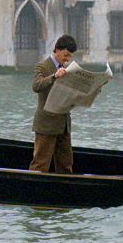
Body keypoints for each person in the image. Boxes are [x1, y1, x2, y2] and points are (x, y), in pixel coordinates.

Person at [29, 34, 78, 173]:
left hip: (63, 123)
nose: (67, 59)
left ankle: (66, 189)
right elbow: (36, 86)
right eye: (65, 55)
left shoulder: (68, 69)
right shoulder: (43, 66)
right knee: (41, 163)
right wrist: (54, 76)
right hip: (46, 122)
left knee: (66, 163)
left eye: (70, 56)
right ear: (57, 49)